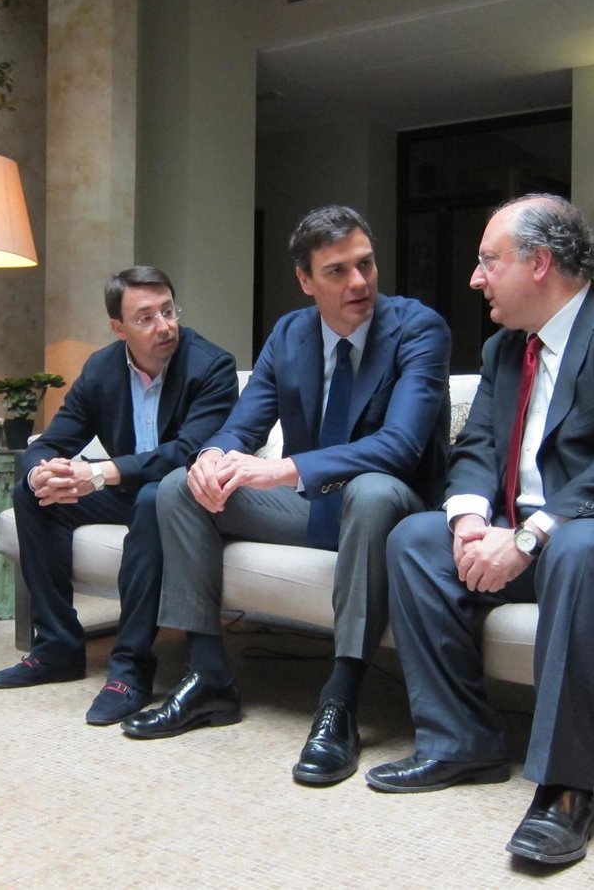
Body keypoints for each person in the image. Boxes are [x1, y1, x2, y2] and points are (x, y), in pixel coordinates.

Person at [368, 194, 594, 865]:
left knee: (579, 545)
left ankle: (565, 789)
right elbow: (478, 445)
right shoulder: (506, 349)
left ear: (539, 263)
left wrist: (529, 536)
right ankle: (460, 741)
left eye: (489, 261)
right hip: (540, 536)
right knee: (415, 540)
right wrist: (470, 520)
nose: (475, 278)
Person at [123, 205, 452, 789]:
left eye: (365, 264)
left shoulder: (418, 328)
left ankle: (340, 700)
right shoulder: (290, 333)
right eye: (337, 271)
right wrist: (213, 457)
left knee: (372, 492)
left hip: (393, 510)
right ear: (305, 280)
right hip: (313, 507)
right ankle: (208, 677)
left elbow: (401, 446)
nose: (358, 282)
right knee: (179, 487)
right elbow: (243, 426)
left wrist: (284, 470)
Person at [0, 266, 238, 726]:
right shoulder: (101, 369)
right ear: (119, 328)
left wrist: (99, 473)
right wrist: (43, 472)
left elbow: (186, 453)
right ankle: (57, 647)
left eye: (168, 311)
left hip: (183, 498)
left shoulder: (211, 366)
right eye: (145, 317)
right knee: (33, 495)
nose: (163, 325)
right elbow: (52, 440)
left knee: (153, 498)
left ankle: (130, 669)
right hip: (125, 489)